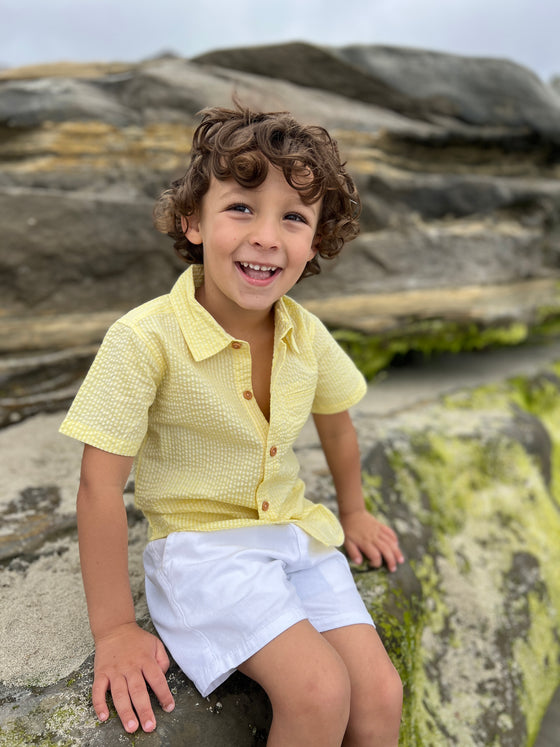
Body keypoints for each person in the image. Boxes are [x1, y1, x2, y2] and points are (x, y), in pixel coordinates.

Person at [60, 103, 404, 746]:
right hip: (203, 550)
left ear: (315, 241)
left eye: (294, 218)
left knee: (381, 695)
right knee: (319, 690)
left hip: (294, 535)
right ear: (193, 220)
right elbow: (99, 487)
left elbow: (338, 423)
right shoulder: (144, 338)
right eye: (242, 207)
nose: (267, 235)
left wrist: (353, 512)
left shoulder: (307, 333)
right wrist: (114, 630)